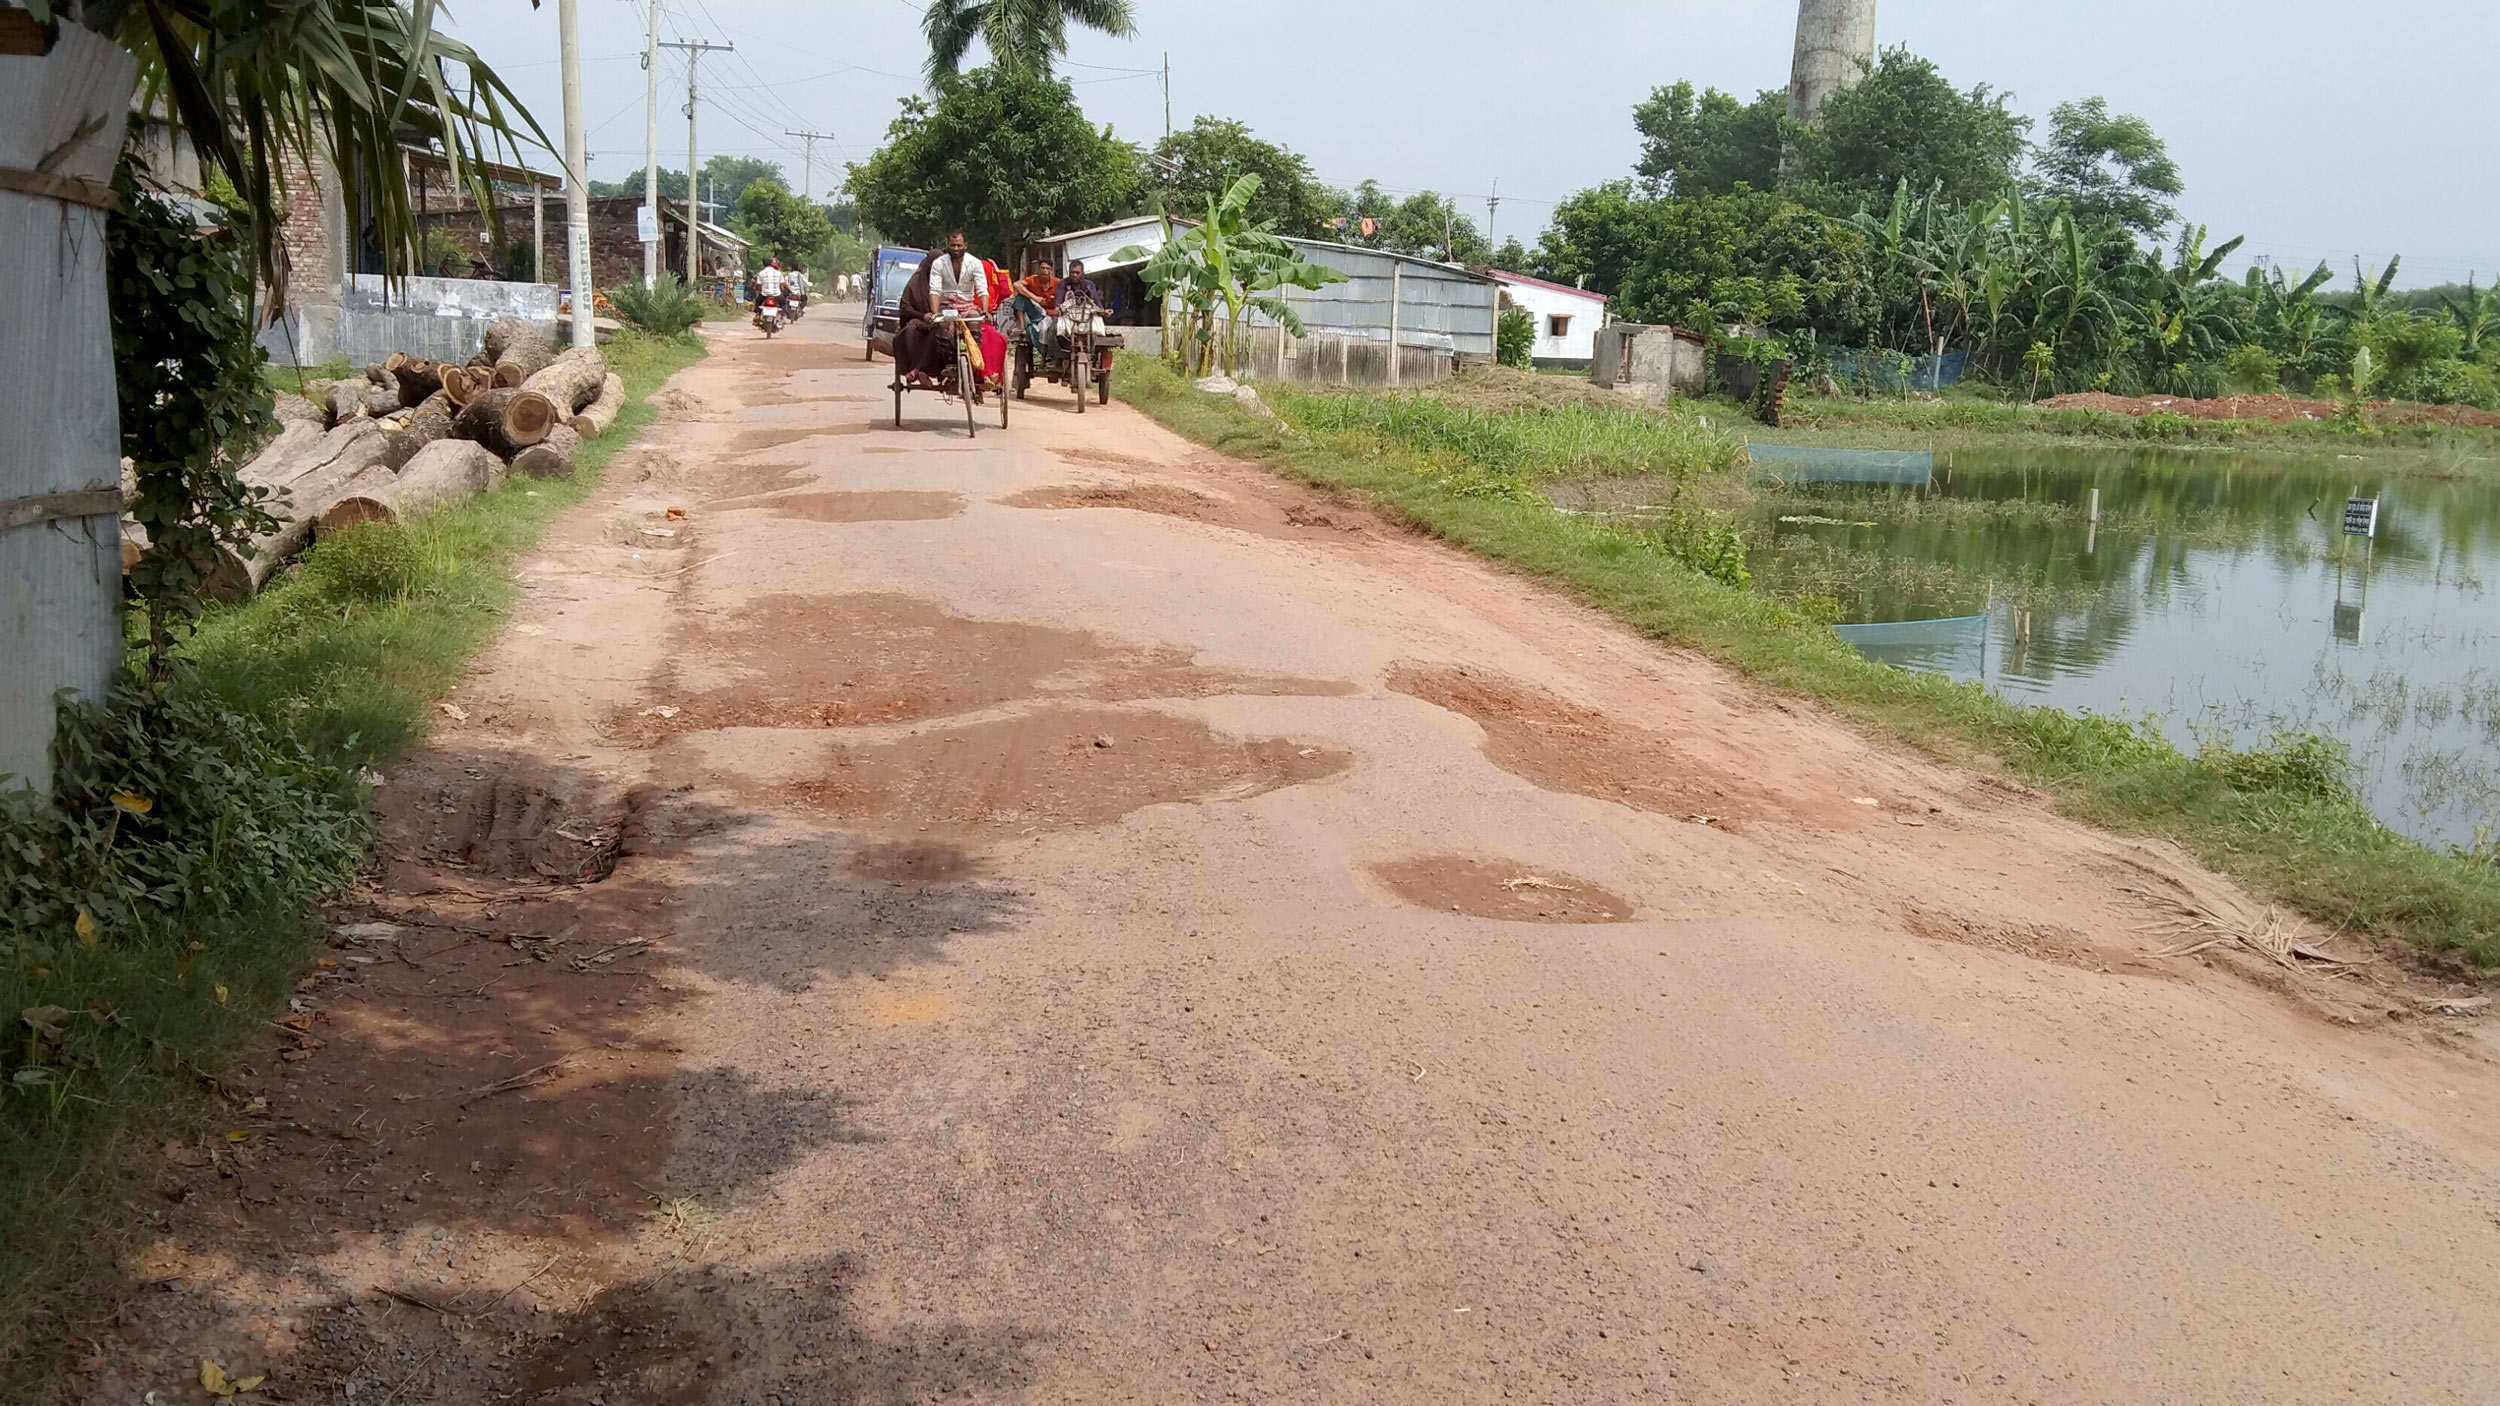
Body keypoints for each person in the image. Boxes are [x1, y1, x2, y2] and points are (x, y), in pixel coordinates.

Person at [1008, 257, 1058, 353]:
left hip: (1052, 316)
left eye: (1047, 269)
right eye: (1042, 268)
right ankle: (1021, 326)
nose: (1044, 271)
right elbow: (1016, 285)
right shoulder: (1032, 279)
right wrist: (1035, 297)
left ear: (1051, 270)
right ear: (1038, 269)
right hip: (1035, 313)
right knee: (1020, 297)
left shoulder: (1057, 283)